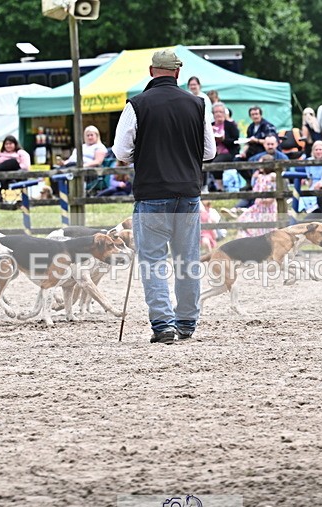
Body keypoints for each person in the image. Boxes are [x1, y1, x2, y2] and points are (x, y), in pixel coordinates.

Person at [112, 49, 216, 344]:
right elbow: (209, 152)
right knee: (187, 259)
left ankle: (163, 325)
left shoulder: (137, 104)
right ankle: (186, 323)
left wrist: (141, 154)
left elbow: (120, 151)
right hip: (188, 192)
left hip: (152, 193)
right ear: (178, 73)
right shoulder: (197, 104)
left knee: (153, 261)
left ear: (151, 71)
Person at [236, 155, 277, 238]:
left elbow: (273, 191)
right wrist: (254, 178)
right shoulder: (260, 177)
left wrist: (267, 199)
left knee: (265, 227)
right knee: (243, 219)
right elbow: (255, 189)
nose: (259, 166)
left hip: (267, 207)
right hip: (258, 205)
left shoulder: (273, 176)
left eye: (262, 164)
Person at [208, 102, 240, 192]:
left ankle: (220, 188)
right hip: (213, 151)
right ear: (213, 114)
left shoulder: (230, 125)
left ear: (224, 113)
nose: (218, 114)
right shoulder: (211, 125)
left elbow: (235, 141)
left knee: (216, 163)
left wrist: (223, 139)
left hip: (228, 151)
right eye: (216, 112)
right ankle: (204, 187)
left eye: (220, 112)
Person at [299, 140, 322, 213]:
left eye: (320, 149)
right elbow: (310, 178)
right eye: (316, 150)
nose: (318, 152)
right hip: (313, 184)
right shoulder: (309, 161)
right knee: (303, 196)